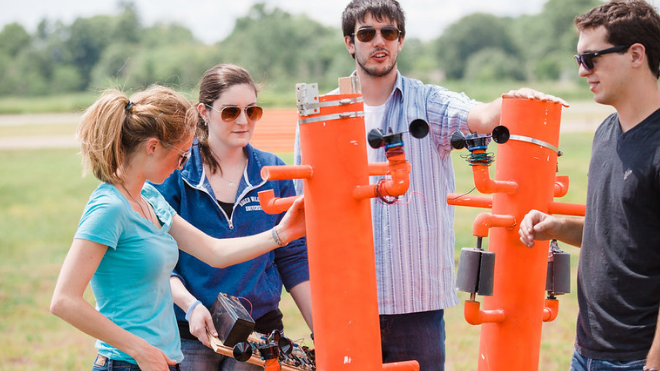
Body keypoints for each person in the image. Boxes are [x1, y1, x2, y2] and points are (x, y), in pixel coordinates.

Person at [291, 0, 567, 369]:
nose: (379, 42)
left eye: (389, 33)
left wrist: (515, 98)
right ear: (349, 42)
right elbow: (307, 206)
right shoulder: (322, 115)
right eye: (367, 33)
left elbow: (479, 116)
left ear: (400, 41)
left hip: (414, 300)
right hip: (347, 299)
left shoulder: (427, 102)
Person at [49, 85, 306, 371]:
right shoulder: (110, 208)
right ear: (153, 147)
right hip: (127, 363)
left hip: (160, 361)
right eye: (182, 155)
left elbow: (213, 251)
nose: (182, 165)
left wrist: (281, 234)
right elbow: (64, 301)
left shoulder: (149, 198)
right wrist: (140, 350)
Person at [518, 1, 660, 370]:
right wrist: (559, 226)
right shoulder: (606, 133)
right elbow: (624, 233)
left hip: (639, 358)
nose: (582, 72)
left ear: (635, 55)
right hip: (588, 350)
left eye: (591, 58)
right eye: (579, 60)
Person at [152, 64, 313, 371]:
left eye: (252, 111)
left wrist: (321, 329)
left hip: (258, 330)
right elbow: (160, 260)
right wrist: (191, 306)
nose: (243, 121)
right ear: (203, 111)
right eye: (230, 112)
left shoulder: (272, 171)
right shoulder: (174, 171)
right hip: (191, 329)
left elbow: (292, 257)